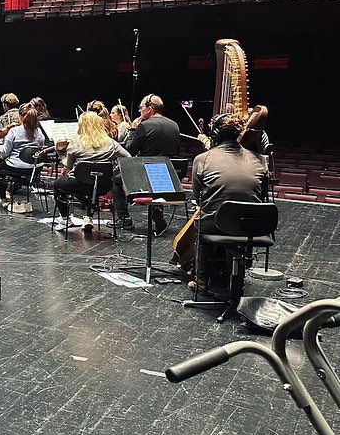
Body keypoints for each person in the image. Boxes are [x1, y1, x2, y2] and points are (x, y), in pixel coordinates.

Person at [190, 112, 270, 290]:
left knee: (203, 221)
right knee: (234, 221)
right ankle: (235, 276)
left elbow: (198, 197)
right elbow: (261, 196)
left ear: (215, 134)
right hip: (252, 226)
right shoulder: (260, 160)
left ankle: (202, 282)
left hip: (216, 224)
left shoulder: (202, 160)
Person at [111, 94, 181, 232]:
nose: (139, 110)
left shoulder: (144, 125)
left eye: (141, 107)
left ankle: (124, 219)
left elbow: (129, 151)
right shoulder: (174, 125)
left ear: (149, 108)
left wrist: (132, 130)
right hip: (169, 176)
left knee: (115, 181)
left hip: (147, 175)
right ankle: (156, 209)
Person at [52, 112, 130, 232]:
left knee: (57, 184)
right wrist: (114, 172)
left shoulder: (75, 142)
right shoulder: (111, 143)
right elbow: (128, 158)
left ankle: (65, 218)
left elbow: (67, 165)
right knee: (91, 184)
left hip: (80, 185)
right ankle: (88, 217)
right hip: (103, 186)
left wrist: (60, 153)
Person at [0, 102, 45, 213]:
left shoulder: (14, 131)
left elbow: (4, 152)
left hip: (16, 166)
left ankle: (3, 199)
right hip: (35, 168)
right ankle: (19, 185)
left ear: (20, 116)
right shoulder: (39, 131)